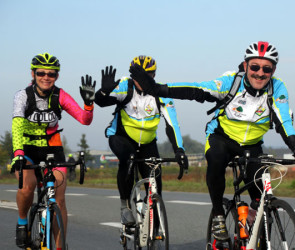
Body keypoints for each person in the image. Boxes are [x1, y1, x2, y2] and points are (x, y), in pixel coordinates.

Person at [129, 42, 295, 240]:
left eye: (266, 68)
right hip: (222, 138)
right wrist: (158, 89)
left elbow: (284, 121)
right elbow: (196, 90)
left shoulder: (277, 88)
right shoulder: (230, 83)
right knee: (216, 159)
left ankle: (254, 226)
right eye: (255, 67)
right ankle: (219, 214)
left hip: (252, 145)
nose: (260, 73)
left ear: (273, 70)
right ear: (245, 66)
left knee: (261, 198)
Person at [11, 52, 96, 248]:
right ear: (33, 74)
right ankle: (23, 222)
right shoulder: (22, 96)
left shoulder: (60, 96)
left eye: (52, 74)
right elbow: (16, 125)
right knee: (27, 186)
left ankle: (59, 246)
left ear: (57, 76)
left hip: (53, 149)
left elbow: (84, 120)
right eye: (41, 73)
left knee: (59, 200)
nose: (46, 77)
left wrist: (89, 104)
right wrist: (18, 154)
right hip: (26, 149)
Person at [94, 55, 188, 226]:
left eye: (149, 75)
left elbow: (172, 125)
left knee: (156, 186)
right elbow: (101, 102)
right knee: (128, 158)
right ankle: (125, 207)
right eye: (140, 75)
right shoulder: (125, 86)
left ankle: (154, 224)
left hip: (147, 143)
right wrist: (103, 92)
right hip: (121, 138)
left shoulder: (161, 95)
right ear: (133, 75)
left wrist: (179, 150)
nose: (144, 79)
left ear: (154, 75)